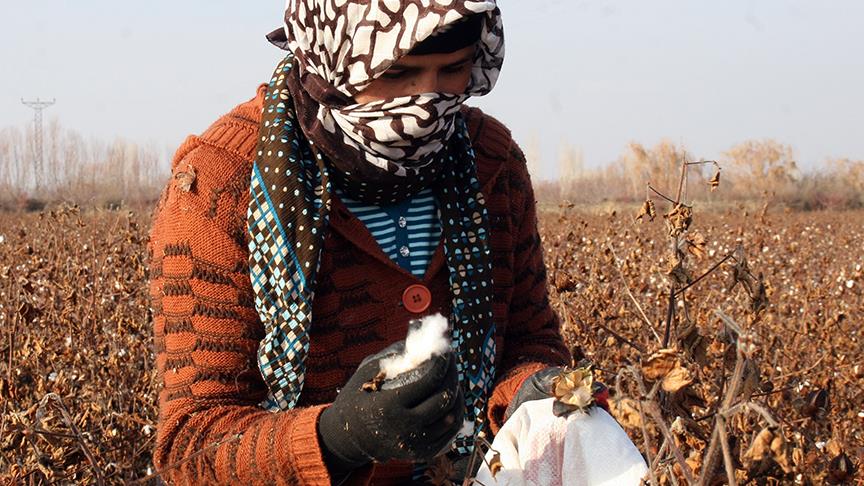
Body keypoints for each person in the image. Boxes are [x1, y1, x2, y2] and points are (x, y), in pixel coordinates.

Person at [147, 1, 588, 484]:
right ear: (332, 59)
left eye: (453, 70)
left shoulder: (492, 162)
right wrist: (339, 437)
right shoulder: (219, 182)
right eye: (399, 72)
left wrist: (537, 388)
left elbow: (529, 343)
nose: (425, 100)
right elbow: (190, 445)